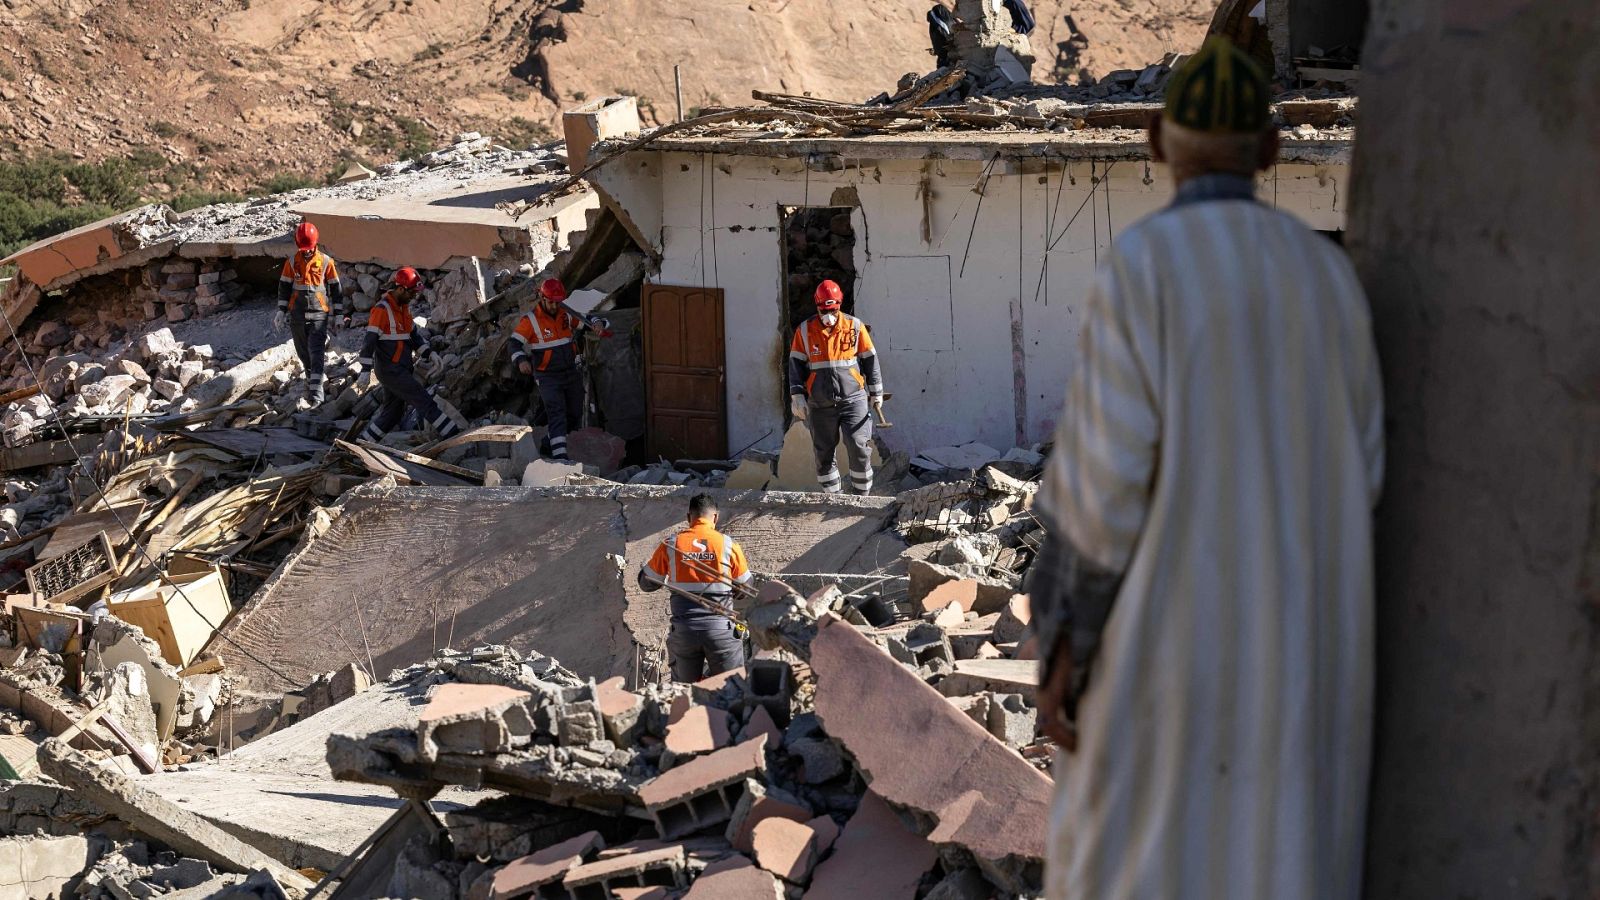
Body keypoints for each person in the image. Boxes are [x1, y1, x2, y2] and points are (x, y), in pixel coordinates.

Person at [1029, 37, 1385, 900]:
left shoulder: (1147, 265)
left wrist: (1061, 645)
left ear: (1157, 140)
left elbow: (1102, 484)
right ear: (1269, 151)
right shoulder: (1330, 279)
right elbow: (1367, 471)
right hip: (1308, 660)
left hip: (1172, 658)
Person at [637, 493, 752, 682]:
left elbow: (646, 583)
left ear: (688, 517)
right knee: (731, 690)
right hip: (721, 631)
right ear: (715, 517)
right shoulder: (728, 544)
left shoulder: (671, 544)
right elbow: (745, 588)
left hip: (684, 632)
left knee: (683, 694)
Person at [787, 280, 884, 494]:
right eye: (824, 310)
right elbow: (795, 364)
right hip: (820, 403)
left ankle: (862, 498)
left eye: (832, 309)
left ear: (839, 304)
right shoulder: (804, 331)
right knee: (823, 453)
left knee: (858, 446)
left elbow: (870, 360)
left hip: (853, 400)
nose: (828, 314)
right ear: (817, 306)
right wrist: (797, 395)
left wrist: (876, 392)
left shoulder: (855, 327)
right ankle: (833, 500)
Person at [357, 267, 461, 443]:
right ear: (400, 289)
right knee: (423, 400)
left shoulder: (404, 310)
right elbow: (369, 343)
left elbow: (413, 337)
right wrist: (365, 370)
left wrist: (430, 353)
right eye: (411, 292)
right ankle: (455, 437)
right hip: (391, 371)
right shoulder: (382, 310)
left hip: (401, 368)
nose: (414, 296)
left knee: (392, 414)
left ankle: (362, 443)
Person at [510, 278, 608, 461]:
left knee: (574, 414)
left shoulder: (566, 314)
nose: (555, 305)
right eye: (551, 301)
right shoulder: (530, 320)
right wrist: (521, 360)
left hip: (570, 372)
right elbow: (514, 343)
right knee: (557, 412)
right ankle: (560, 458)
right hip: (547, 376)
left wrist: (599, 324)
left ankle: (549, 444)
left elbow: (588, 320)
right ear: (542, 297)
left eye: (558, 301)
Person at [274, 222, 343, 404]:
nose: (306, 252)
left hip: (319, 314)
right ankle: (311, 377)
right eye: (303, 249)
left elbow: (336, 289)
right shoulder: (291, 262)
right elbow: (284, 287)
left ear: (315, 244)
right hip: (297, 315)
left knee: (316, 351)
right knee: (303, 352)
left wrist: (339, 314)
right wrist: (281, 311)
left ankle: (316, 397)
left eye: (309, 248)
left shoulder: (326, 262)